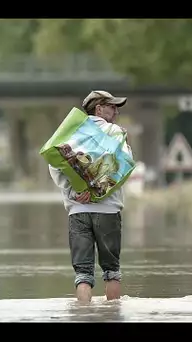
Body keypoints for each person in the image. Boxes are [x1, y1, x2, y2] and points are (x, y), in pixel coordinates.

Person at [49, 90, 131, 303]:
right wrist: (99, 192)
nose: (116, 112)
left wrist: (73, 192)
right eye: (112, 107)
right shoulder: (114, 132)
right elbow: (125, 166)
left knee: (83, 275)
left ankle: (83, 315)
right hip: (108, 211)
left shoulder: (70, 132)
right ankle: (112, 316)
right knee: (111, 271)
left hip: (78, 212)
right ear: (98, 108)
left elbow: (54, 164)